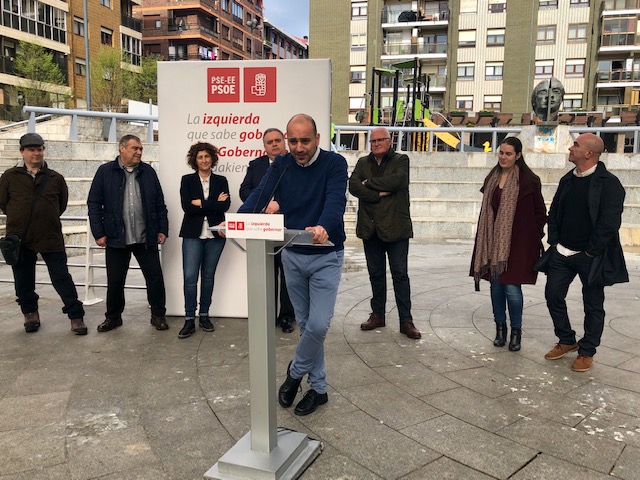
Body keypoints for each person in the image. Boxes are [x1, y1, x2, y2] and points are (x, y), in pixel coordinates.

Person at [238, 114, 347, 416]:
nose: (299, 147)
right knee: (307, 328)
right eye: (293, 140)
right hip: (292, 254)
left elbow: (336, 201)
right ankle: (320, 389)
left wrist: (324, 225)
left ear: (318, 139)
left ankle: (295, 374)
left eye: (305, 140)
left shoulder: (334, 165)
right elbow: (260, 195)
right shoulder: (282, 164)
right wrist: (237, 219)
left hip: (325, 254)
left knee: (317, 324)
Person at [543, 133, 628, 372]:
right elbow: (555, 210)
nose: (571, 148)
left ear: (588, 153)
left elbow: (609, 223)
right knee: (553, 296)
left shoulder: (609, 183)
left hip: (591, 256)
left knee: (593, 305)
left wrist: (591, 252)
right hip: (562, 252)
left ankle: (587, 350)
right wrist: (555, 241)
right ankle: (567, 339)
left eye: (576, 145)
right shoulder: (568, 179)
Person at [0, 133, 86, 335]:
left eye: (39, 149)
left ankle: (76, 316)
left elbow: (61, 205)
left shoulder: (55, 178)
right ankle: (30, 314)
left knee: (61, 277)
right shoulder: (9, 177)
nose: (36, 153)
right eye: (31, 149)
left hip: (50, 236)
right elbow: (3, 203)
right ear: (22, 152)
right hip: (20, 237)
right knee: (23, 280)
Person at [470, 137, 547, 351]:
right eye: (501, 153)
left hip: (518, 244)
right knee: (496, 286)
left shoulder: (528, 180)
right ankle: (500, 329)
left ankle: (516, 332)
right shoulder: (492, 178)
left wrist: (531, 234)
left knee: (512, 288)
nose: (503, 157)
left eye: (508, 154)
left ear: (518, 156)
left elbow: (540, 213)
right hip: (492, 242)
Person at [87, 134, 169, 333]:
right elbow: (94, 203)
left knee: (155, 278)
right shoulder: (105, 172)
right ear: (122, 148)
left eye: (141, 149)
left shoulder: (148, 172)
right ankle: (113, 318)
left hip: (145, 236)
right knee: (115, 281)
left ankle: (158, 315)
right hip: (116, 238)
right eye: (135, 148)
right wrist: (99, 232)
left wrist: (162, 229)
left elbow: (159, 203)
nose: (139, 152)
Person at [348, 127, 421, 340]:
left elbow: (399, 181)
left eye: (380, 140)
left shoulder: (401, 160)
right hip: (371, 229)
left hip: (396, 228)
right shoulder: (363, 163)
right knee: (376, 274)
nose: (376, 144)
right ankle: (377, 314)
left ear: (390, 141)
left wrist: (368, 183)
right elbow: (353, 186)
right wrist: (378, 193)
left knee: (400, 275)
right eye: (373, 141)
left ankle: (406, 321)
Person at [239, 128, 296, 333]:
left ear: (284, 142)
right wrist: (263, 205)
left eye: (277, 140)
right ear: (264, 146)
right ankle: (268, 316)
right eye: (269, 142)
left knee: (287, 273)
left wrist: (279, 204)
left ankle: (287, 317)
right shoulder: (256, 165)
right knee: (267, 273)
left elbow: (298, 192)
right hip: (263, 229)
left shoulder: (294, 163)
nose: (274, 144)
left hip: (287, 227)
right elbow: (245, 190)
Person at [178, 142, 230, 338]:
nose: (204, 160)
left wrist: (202, 203)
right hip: (193, 234)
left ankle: (205, 315)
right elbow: (187, 207)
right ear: (195, 160)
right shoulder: (187, 180)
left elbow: (225, 206)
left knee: (208, 277)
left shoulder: (221, 180)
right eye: (200, 157)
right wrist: (214, 204)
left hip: (216, 235)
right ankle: (189, 319)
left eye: (207, 156)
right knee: (190, 278)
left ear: (212, 158)